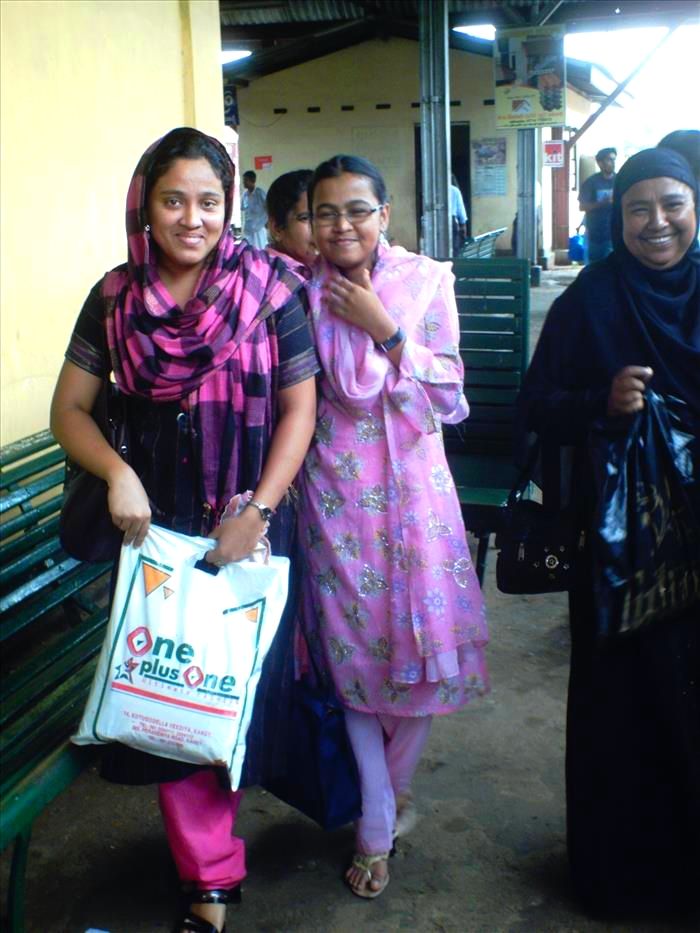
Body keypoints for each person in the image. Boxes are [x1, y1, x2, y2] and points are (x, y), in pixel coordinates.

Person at [50, 128, 318, 933]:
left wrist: (258, 508)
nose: (192, 218)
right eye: (173, 200)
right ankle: (210, 880)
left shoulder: (272, 287)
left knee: (238, 688)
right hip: (156, 519)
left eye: (209, 200)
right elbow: (68, 409)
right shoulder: (113, 297)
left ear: (229, 205)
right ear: (145, 205)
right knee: (178, 683)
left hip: (251, 512)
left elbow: (302, 407)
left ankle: (270, 829)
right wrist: (116, 472)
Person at [298, 154, 489, 899]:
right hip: (335, 499)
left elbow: (448, 396)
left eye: (357, 209)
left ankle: (387, 796)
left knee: (420, 654)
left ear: (385, 215)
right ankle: (377, 823)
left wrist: (386, 331)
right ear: (308, 222)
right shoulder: (295, 289)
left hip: (415, 495)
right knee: (352, 665)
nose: (341, 224)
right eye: (325, 212)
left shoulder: (425, 281)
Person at [517, 148, 700, 915]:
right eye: (637, 209)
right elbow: (537, 403)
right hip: (623, 544)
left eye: (673, 204)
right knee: (625, 702)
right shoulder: (593, 297)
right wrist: (604, 399)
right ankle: (621, 874)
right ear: (615, 217)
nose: (656, 222)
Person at [265, 169, 317, 275]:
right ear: (277, 228)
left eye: (325, 216)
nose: (320, 228)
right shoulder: (265, 277)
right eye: (305, 218)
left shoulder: (324, 268)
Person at [578, 146, 616, 264]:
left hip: (615, 232)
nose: (612, 163)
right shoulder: (591, 183)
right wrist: (602, 203)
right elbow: (582, 206)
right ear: (600, 163)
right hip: (596, 234)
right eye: (609, 159)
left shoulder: (621, 180)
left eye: (614, 159)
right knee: (596, 267)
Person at [241, 169, 268, 248]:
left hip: (259, 228)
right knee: (249, 249)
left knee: (260, 249)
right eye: (244, 180)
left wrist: (268, 220)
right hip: (249, 229)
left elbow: (269, 206)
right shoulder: (245, 195)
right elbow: (243, 208)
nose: (244, 183)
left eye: (246, 180)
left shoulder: (259, 193)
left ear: (252, 180)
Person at [450, 174, 468, 254]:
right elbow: (461, 210)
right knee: (454, 247)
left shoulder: (433, 190)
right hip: (452, 221)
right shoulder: (455, 190)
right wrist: (463, 226)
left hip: (435, 220)